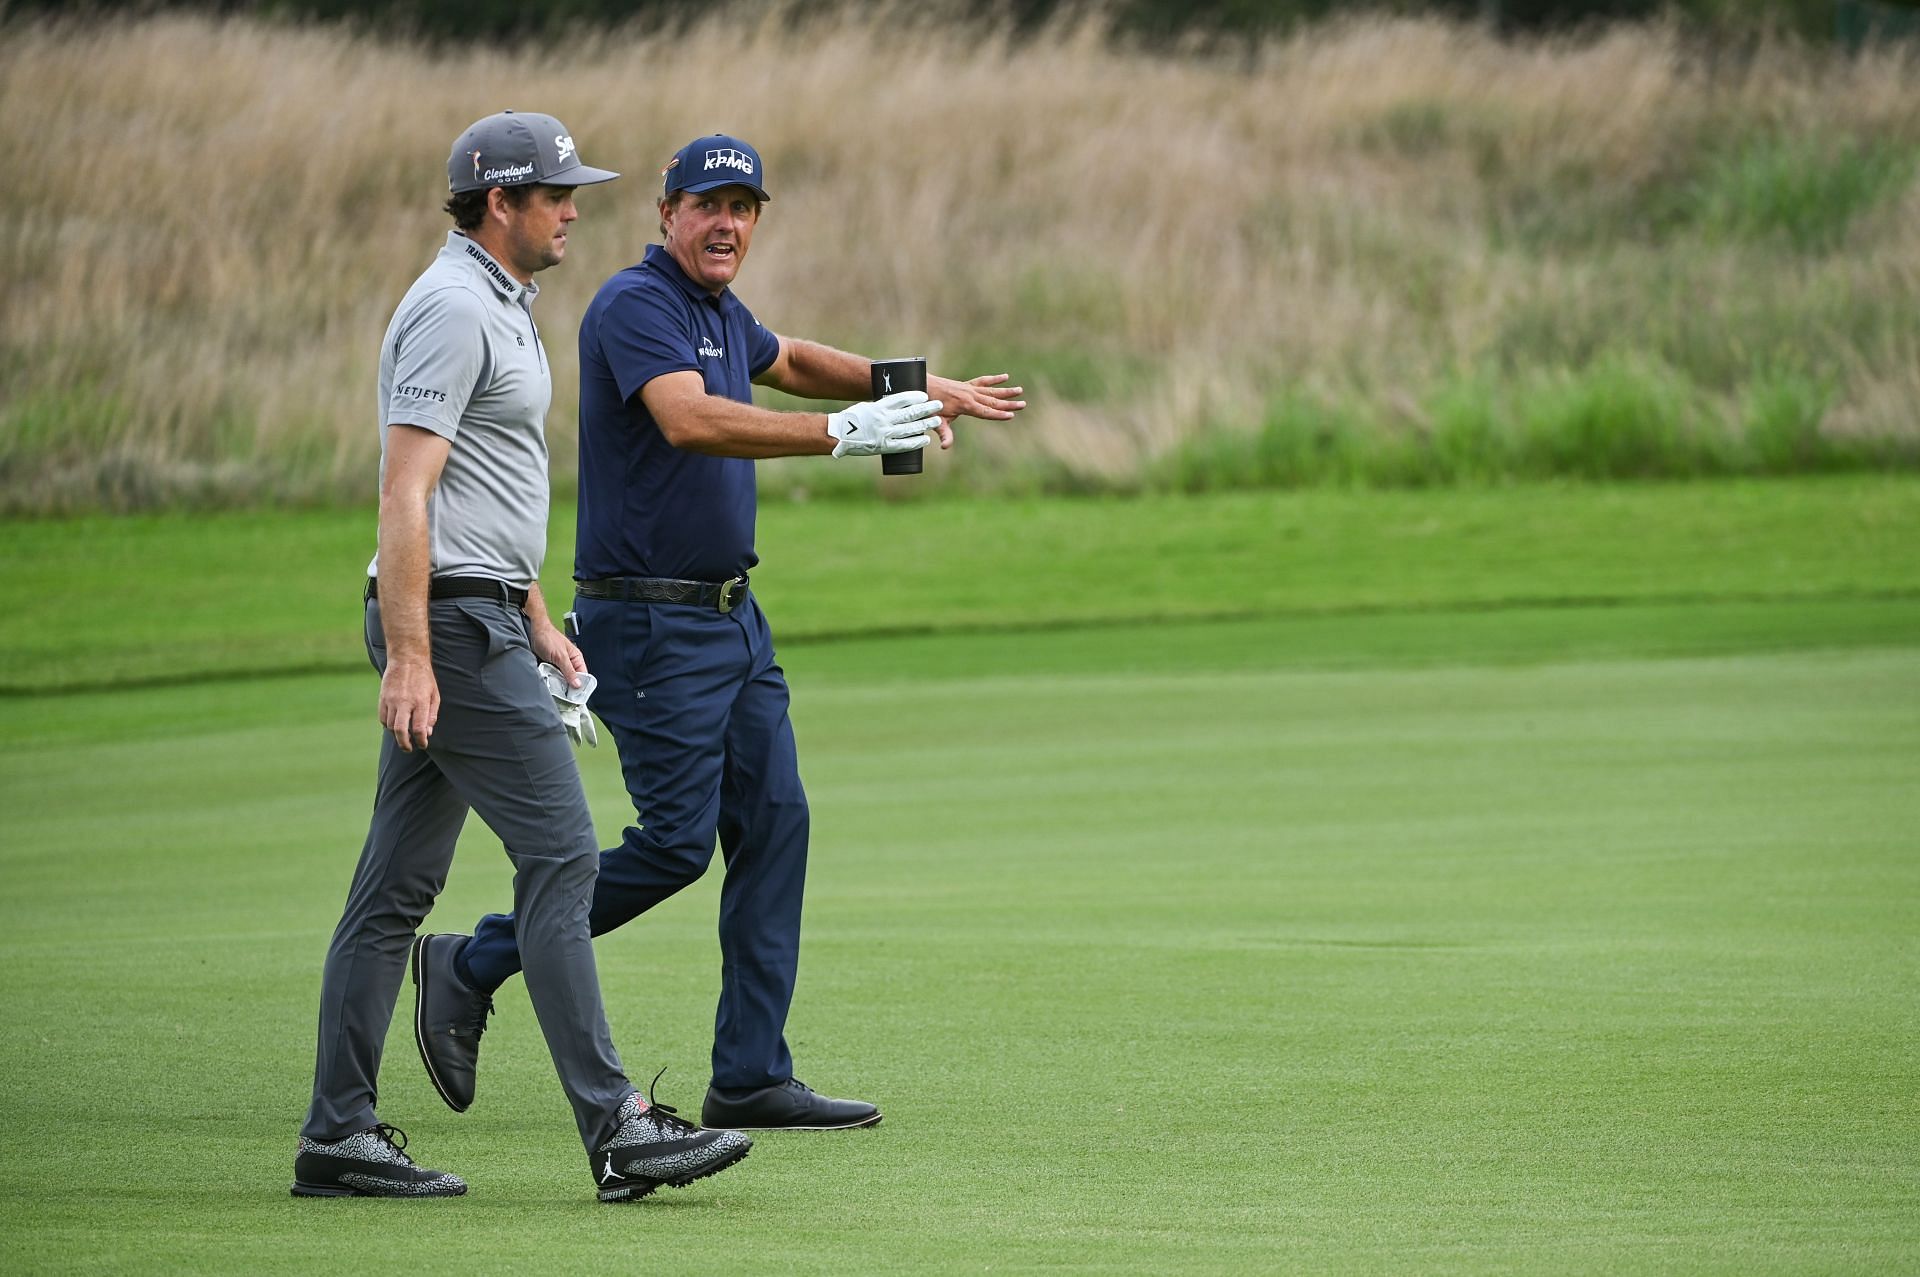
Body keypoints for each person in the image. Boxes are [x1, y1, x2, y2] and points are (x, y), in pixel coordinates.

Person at [411, 133, 1024, 1131]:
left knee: (778, 821)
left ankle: (748, 1069)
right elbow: (689, 419)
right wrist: (843, 433)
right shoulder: (635, 304)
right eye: (708, 205)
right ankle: (469, 960)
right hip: (647, 621)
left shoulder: (718, 310)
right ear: (667, 214)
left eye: (743, 207)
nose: (727, 222)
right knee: (675, 846)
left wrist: (900, 387)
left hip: (734, 620)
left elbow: (786, 359)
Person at [294, 111, 750, 1203]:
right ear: (500, 202)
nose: (572, 210)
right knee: (563, 856)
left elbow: (478, 493)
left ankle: (337, 1134)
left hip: (481, 610)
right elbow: (406, 490)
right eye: (555, 195)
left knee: (394, 888)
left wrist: (536, 609)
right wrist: (413, 652)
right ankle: (617, 1125)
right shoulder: (452, 308)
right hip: (447, 624)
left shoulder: (497, 304)